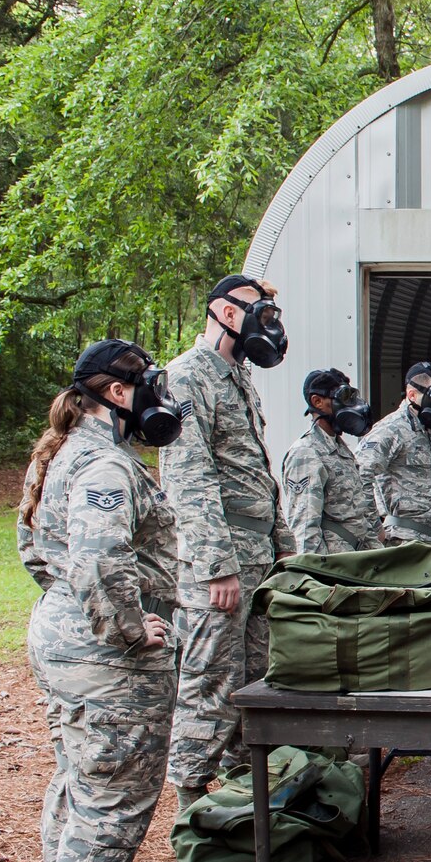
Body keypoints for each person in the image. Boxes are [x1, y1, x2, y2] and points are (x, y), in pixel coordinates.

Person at [17, 341, 187, 862]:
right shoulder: (104, 466)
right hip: (107, 656)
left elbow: (34, 548)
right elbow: (97, 559)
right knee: (112, 790)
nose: (156, 398)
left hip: (67, 637)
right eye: (147, 385)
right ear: (118, 393)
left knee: (81, 775)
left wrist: (68, 605)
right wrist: (126, 623)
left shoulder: (64, 452)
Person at [161, 276, 295, 814]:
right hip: (221, 561)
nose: (270, 324)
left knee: (255, 675)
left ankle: (244, 782)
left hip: (257, 555)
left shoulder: (237, 377)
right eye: (258, 311)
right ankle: (190, 797)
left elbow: (258, 470)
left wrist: (283, 544)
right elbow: (190, 477)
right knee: (211, 678)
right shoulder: (186, 377)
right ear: (224, 311)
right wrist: (217, 566)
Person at [281, 368, 381, 556]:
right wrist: (316, 576)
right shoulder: (306, 453)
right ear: (317, 402)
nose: (350, 404)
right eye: (342, 397)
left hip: (360, 558)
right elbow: (304, 528)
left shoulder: (341, 450)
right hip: (337, 566)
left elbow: (356, 515)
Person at [357, 361, 431, 546]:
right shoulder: (392, 429)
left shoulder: (424, 430)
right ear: (412, 395)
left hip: (426, 539)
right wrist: (375, 527)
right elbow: (360, 473)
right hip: (402, 540)